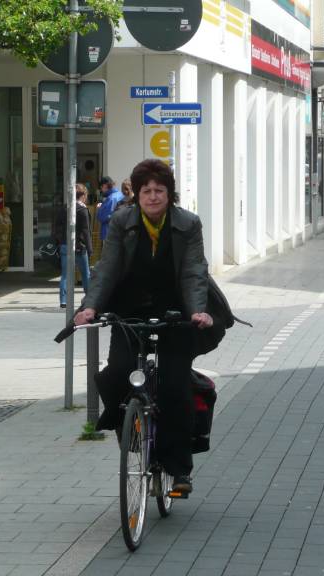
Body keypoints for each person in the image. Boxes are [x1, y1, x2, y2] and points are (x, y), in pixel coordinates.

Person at [74, 158, 213, 496]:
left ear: (169, 193)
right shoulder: (122, 221)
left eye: (159, 190)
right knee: (116, 372)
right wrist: (90, 306)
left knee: (174, 383)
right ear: (136, 194)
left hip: (175, 313)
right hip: (130, 310)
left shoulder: (188, 223)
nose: (152, 196)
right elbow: (107, 267)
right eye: (146, 190)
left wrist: (197, 311)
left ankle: (178, 470)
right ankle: (130, 428)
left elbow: (194, 270)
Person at [54, 184, 93, 308]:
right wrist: (90, 248)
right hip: (80, 246)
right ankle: (90, 298)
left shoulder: (65, 208)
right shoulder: (83, 210)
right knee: (85, 274)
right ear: (83, 196)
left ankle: (63, 300)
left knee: (65, 274)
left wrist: (60, 241)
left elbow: (57, 227)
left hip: (65, 244)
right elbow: (86, 231)